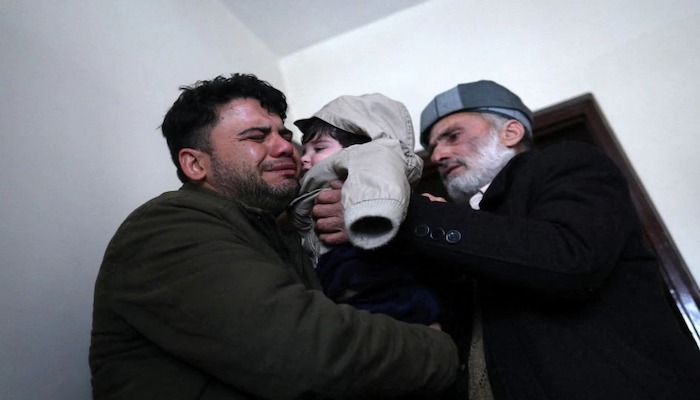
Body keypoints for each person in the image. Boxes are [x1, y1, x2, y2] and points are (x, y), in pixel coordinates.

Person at [313, 80, 700, 400]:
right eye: (432, 147)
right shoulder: (470, 220)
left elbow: (569, 258)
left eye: (453, 135)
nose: (439, 155)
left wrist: (407, 215)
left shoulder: (566, 163)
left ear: (512, 131)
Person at [88, 74, 461, 400]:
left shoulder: (282, 232)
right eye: (256, 136)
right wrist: (442, 351)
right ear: (195, 164)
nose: (286, 146)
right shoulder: (164, 228)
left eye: (284, 133)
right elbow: (308, 351)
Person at [289, 93, 442, 326]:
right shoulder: (311, 183)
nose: (305, 159)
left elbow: (377, 174)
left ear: (364, 143)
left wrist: (369, 214)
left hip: (367, 264)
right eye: (304, 151)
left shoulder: (370, 153)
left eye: (318, 148)